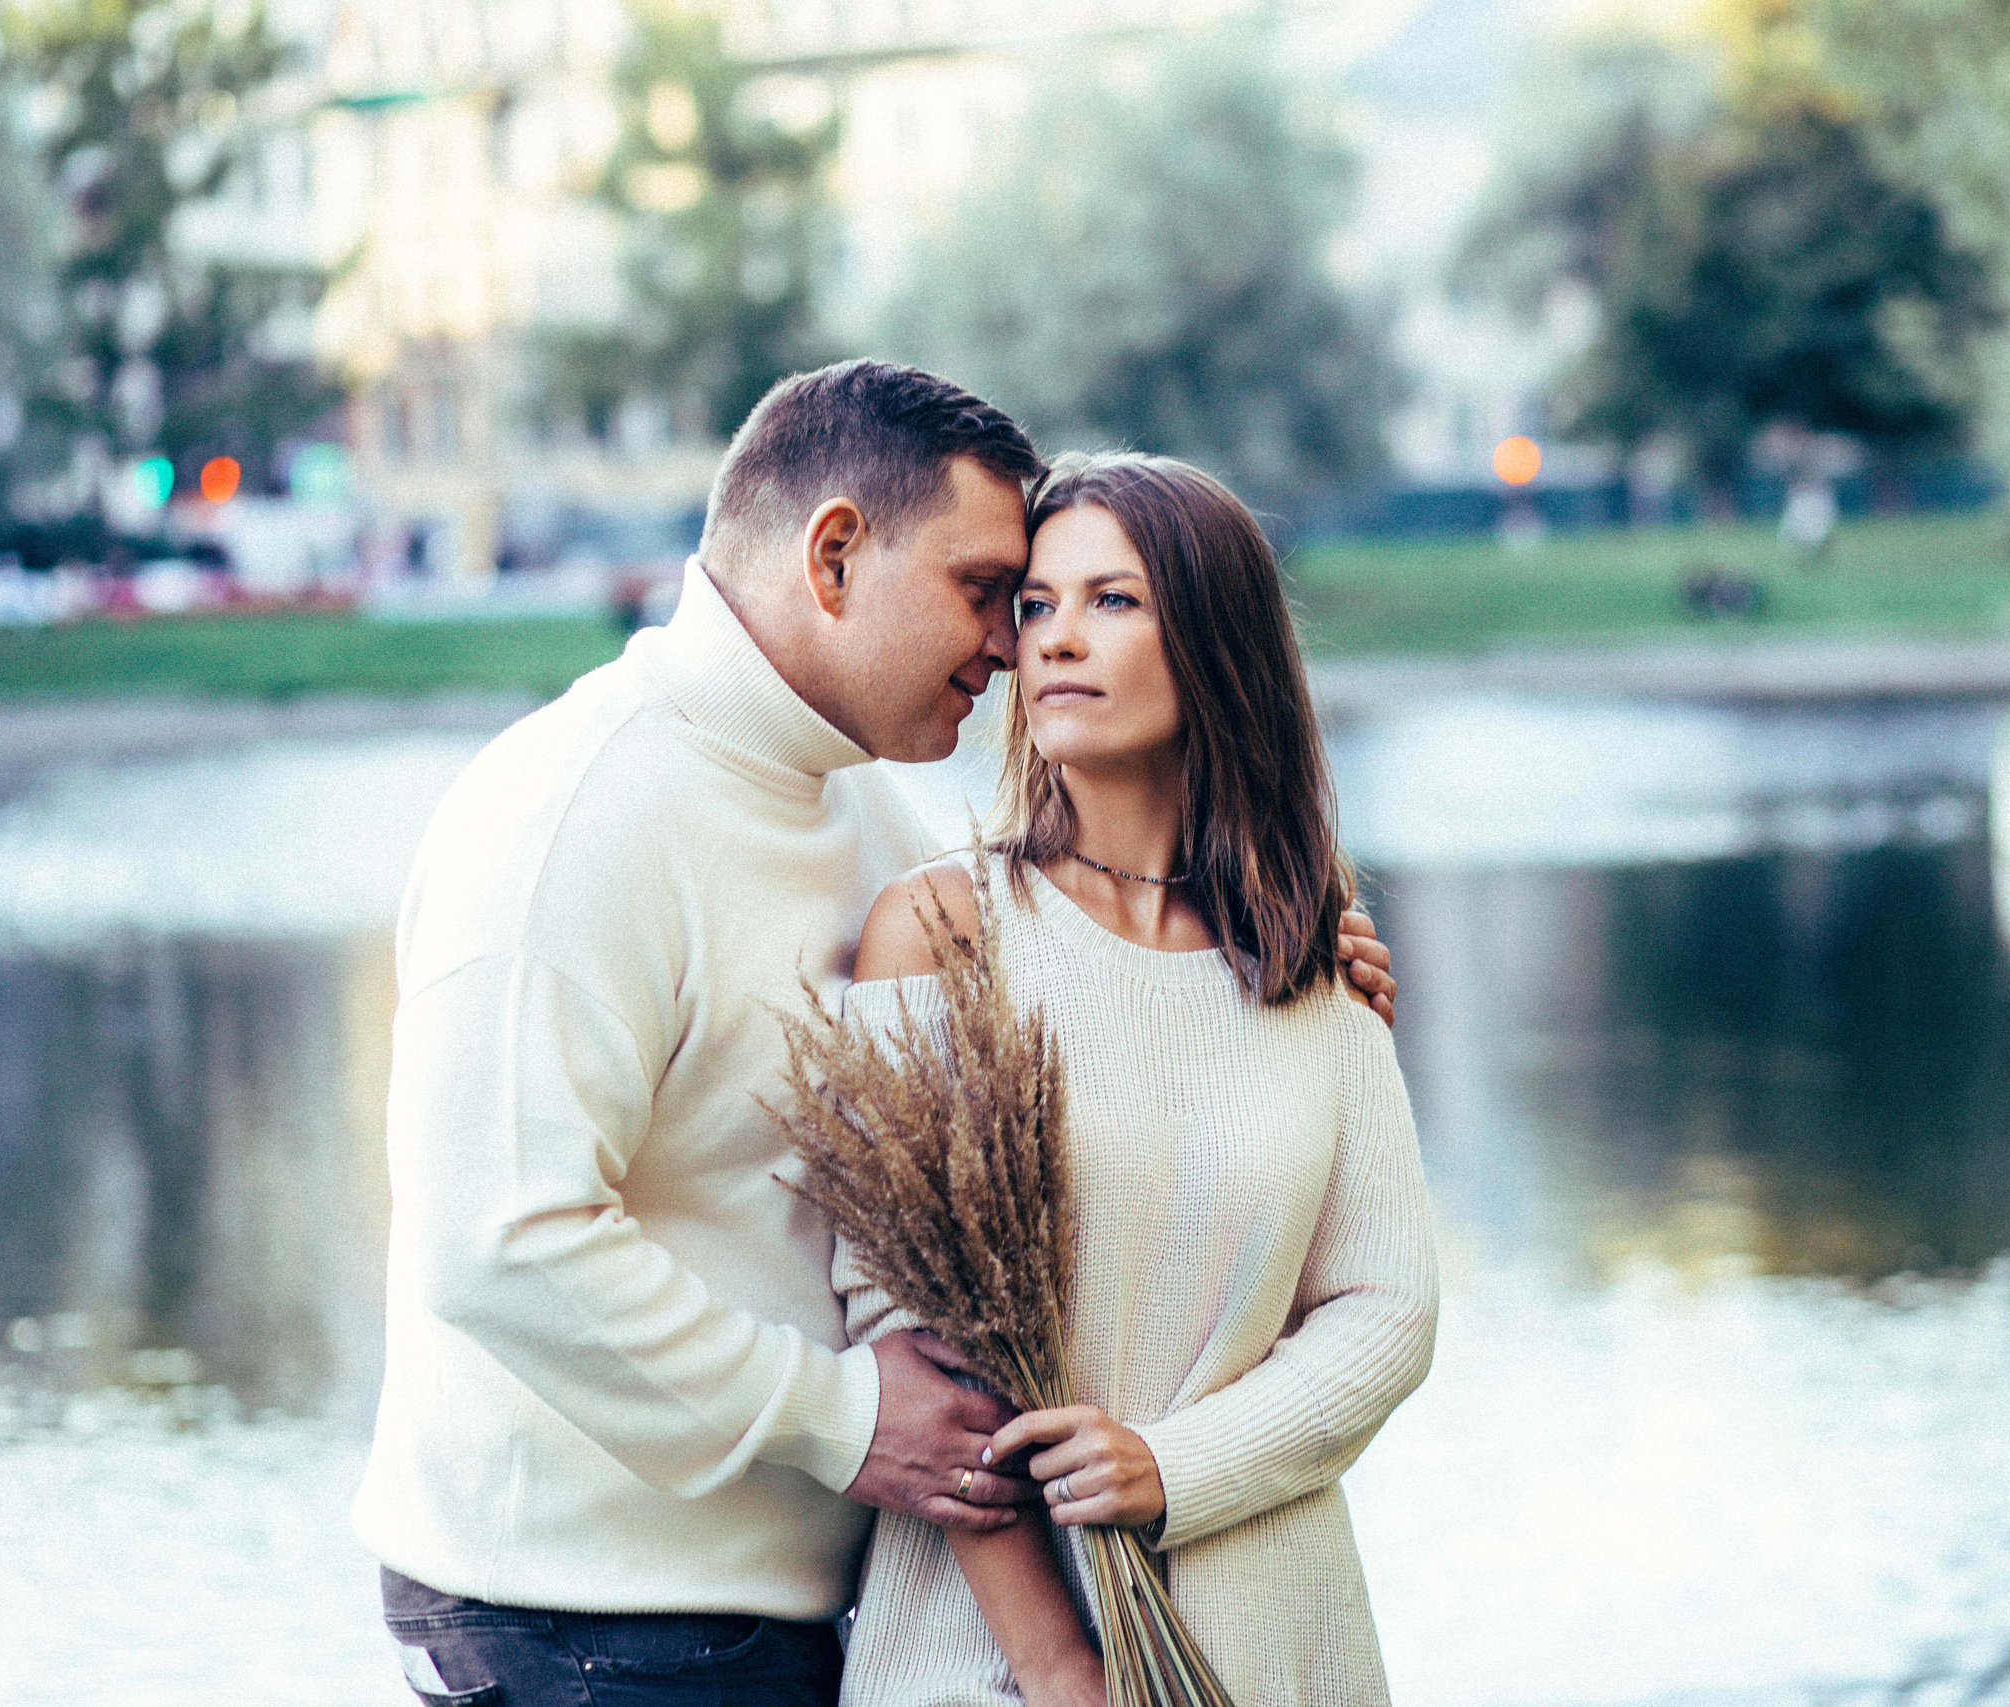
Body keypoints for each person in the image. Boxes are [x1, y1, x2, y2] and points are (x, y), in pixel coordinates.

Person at [355, 365, 1399, 1706]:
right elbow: (494, 1237)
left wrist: (1305, 994)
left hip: (781, 1618)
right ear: (835, 551)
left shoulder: (863, 820)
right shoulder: (572, 816)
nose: (1017, 647)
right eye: (990, 593)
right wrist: (845, 1417)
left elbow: (1069, 1057)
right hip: (586, 1624)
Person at [837, 452, 1441, 1707]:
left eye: (1112, 602)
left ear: (1216, 643)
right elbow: (910, 1347)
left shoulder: (1309, 949)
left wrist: (1170, 1468)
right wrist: (1061, 1670)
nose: (1055, 641)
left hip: (1274, 1635)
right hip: (999, 1660)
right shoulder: (940, 933)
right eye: (1038, 605)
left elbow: (1385, 1310)